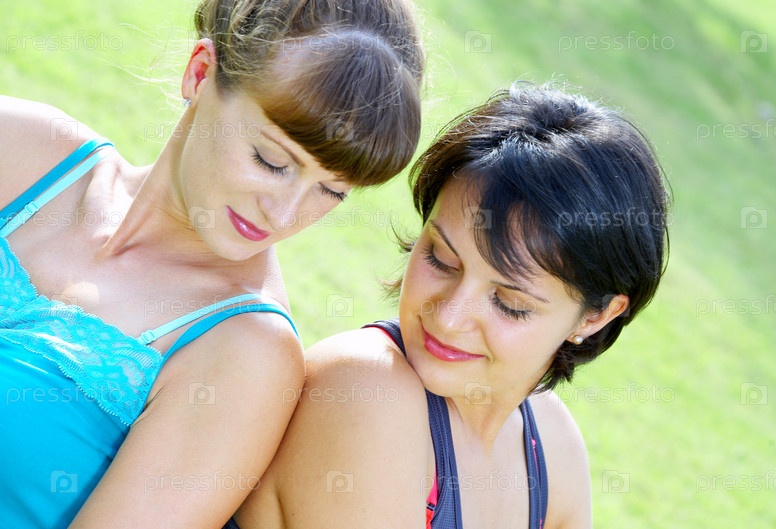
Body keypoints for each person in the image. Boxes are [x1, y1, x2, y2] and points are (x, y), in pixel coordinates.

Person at [0, 0, 424, 527]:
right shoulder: (22, 149)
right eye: (271, 160)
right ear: (200, 73)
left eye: (331, 191)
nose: (284, 214)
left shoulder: (244, 354)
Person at [230, 82, 671, 528]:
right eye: (441, 259)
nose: (448, 317)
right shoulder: (366, 390)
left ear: (596, 316)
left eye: (509, 302)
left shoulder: (553, 450)